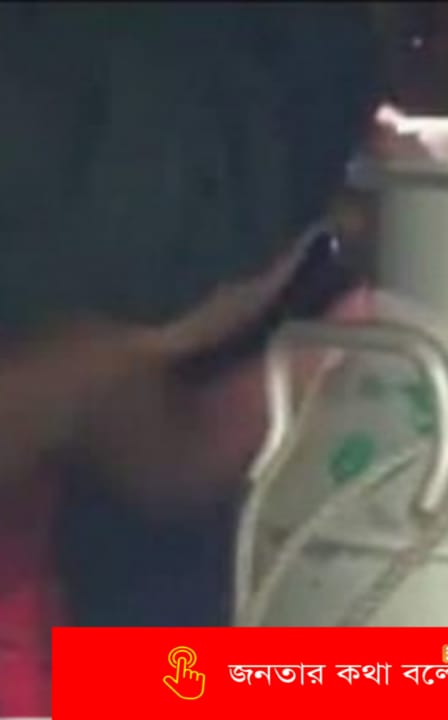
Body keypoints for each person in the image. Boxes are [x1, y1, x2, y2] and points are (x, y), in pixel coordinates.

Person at [0, 5, 379, 715]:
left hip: (60, 673)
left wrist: (339, 343)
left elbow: (164, 459)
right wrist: (140, 342)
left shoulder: (86, 270)